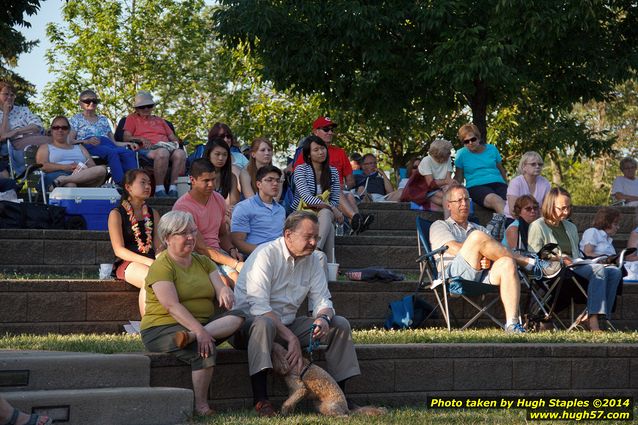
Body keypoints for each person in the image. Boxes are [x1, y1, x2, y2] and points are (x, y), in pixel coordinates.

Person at [231, 211, 361, 417]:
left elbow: (322, 300)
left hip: (287, 325)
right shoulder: (265, 255)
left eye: (316, 237)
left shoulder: (313, 259)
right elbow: (259, 307)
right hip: (248, 327)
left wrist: (323, 318)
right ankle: (261, 400)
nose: (313, 242)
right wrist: (290, 337)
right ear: (288, 235)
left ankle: (339, 396)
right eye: (308, 237)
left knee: (340, 324)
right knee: (265, 323)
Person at [140, 210, 245, 416]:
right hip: (162, 327)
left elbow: (218, 285)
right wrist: (201, 332)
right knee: (203, 350)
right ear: (168, 238)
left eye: (192, 232)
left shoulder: (203, 261)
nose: (190, 237)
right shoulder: (161, 266)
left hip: (200, 325)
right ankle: (201, 406)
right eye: (183, 233)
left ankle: (191, 336)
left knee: (239, 315)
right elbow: (171, 306)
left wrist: (224, 290)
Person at [430, 185, 560, 333]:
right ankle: (528, 262)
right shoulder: (440, 225)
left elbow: (495, 252)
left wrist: (487, 259)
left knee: (507, 262)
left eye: (467, 199)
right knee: (477, 237)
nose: (464, 203)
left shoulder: (479, 228)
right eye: (459, 200)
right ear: (448, 205)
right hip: (453, 275)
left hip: (481, 275)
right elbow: (452, 247)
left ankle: (512, 324)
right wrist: (479, 251)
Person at [528, 188, 623, 331]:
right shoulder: (538, 226)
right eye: (562, 208)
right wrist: (559, 257)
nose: (566, 212)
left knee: (614, 272)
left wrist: (595, 260)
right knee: (598, 271)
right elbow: (534, 254)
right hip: (552, 268)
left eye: (569, 207)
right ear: (550, 205)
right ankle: (593, 321)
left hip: (574, 264)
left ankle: (602, 318)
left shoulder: (570, 226)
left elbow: (576, 254)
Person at [294, 116, 373, 234]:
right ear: (316, 132)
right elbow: (297, 178)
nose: (330, 132)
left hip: (338, 193)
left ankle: (355, 223)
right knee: (342, 195)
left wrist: (342, 186)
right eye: (326, 129)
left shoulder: (340, 152)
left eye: (332, 129)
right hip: (312, 198)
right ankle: (356, 220)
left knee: (348, 195)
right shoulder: (306, 154)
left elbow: (350, 181)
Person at [172, 158, 244, 288]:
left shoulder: (219, 199)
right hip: (194, 255)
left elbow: (222, 235)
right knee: (224, 283)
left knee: (239, 280)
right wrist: (235, 264)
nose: (211, 184)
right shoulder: (183, 207)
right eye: (206, 181)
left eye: (213, 179)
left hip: (218, 253)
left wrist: (232, 249)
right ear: (192, 180)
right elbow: (201, 248)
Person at [108, 169, 160, 316]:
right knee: (150, 277)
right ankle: (148, 326)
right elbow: (119, 250)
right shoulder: (116, 214)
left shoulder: (153, 213)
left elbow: (158, 245)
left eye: (149, 183)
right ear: (128, 187)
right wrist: (149, 262)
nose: (148, 186)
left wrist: (162, 260)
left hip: (152, 261)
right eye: (143, 183)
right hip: (127, 262)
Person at [122, 91, 186, 197]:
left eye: (149, 106)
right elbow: (126, 137)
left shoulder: (160, 120)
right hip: (147, 149)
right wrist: (140, 138)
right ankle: (159, 189)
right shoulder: (131, 119)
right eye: (143, 107)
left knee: (180, 154)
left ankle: (173, 188)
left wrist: (175, 143)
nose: (146, 109)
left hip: (166, 146)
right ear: (137, 109)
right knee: (162, 152)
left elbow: (172, 137)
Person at [68, 89, 138, 186]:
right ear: (80, 103)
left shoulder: (103, 119)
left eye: (95, 101)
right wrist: (87, 141)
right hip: (89, 144)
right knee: (112, 153)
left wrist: (128, 144)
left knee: (128, 153)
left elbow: (114, 142)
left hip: (107, 143)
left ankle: (134, 182)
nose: (91, 103)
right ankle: (122, 183)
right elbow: (70, 141)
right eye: (87, 101)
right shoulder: (76, 119)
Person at [292, 135, 341, 262]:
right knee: (328, 223)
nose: (321, 152)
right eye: (316, 150)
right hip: (303, 212)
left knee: (325, 214)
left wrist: (330, 207)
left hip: (324, 214)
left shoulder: (333, 172)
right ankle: (329, 264)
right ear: (308, 154)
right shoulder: (300, 170)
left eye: (323, 148)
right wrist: (332, 208)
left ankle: (316, 251)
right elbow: (307, 198)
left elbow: (335, 199)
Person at [35, 116, 107, 190]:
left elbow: (92, 166)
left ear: (69, 130)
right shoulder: (45, 147)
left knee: (102, 169)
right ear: (51, 130)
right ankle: (65, 180)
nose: (60, 130)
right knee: (70, 185)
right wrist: (66, 167)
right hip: (55, 175)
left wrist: (82, 169)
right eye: (56, 127)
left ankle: (63, 180)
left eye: (64, 128)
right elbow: (43, 166)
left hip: (81, 176)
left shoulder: (80, 147)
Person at [231, 165, 286, 256]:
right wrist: (266, 253)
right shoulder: (244, 207)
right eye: (269, 180)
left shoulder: (281, 210)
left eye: (277, 180)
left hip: (280, 255)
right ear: (258, 184)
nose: (275, 183)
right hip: (256, 257)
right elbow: (238, 242)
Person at [454, 123, 508, 214]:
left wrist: (507, 185)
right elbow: (459, 177)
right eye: (466, 141)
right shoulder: (461, 154)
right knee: (496, 200)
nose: (470, 143)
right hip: (476, 186)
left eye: (473, 139)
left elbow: (501, 169)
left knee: (515, 203)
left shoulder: (492, 149)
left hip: (499, 184)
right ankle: (512, 227)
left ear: (478, 138)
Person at [0, 81, 50, 175]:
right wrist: (6, 114)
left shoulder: (23, 110)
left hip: (35, 137)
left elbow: (37, 126)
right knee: (50, 145)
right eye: (6, 94)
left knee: (58, 143)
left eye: (12, 95)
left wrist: (16, 131)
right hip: (16, 144)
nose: (10, 97)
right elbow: (3, 136)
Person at [504, 152, 551, 220]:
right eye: (533, 164)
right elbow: (513, 211)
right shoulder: (516, 182)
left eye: (540, 164)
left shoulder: (545, 183)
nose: (537, 166)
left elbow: (546, 208)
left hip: (537, 220)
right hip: (514, 219)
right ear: (524, 166)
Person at [417, 139, 455, 213]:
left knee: (453, 200)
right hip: (426, 190)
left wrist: (447, 185)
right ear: (441, 153)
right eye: (448, 152)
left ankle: (450, 221)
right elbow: (431, 183)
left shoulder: (447, 159)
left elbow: (448, 179)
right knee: (450, 200)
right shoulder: (427, 161)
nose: (450, 153)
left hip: (440, 189)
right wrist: (446, 182)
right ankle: (448, 221)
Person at [204, 138, 241, 210]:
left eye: (225, 155)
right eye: (217, 154)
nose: (221, 158)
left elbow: (234, 202)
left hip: (226, 214)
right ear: (208, 155)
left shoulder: (231, 177)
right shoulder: (200, 175)